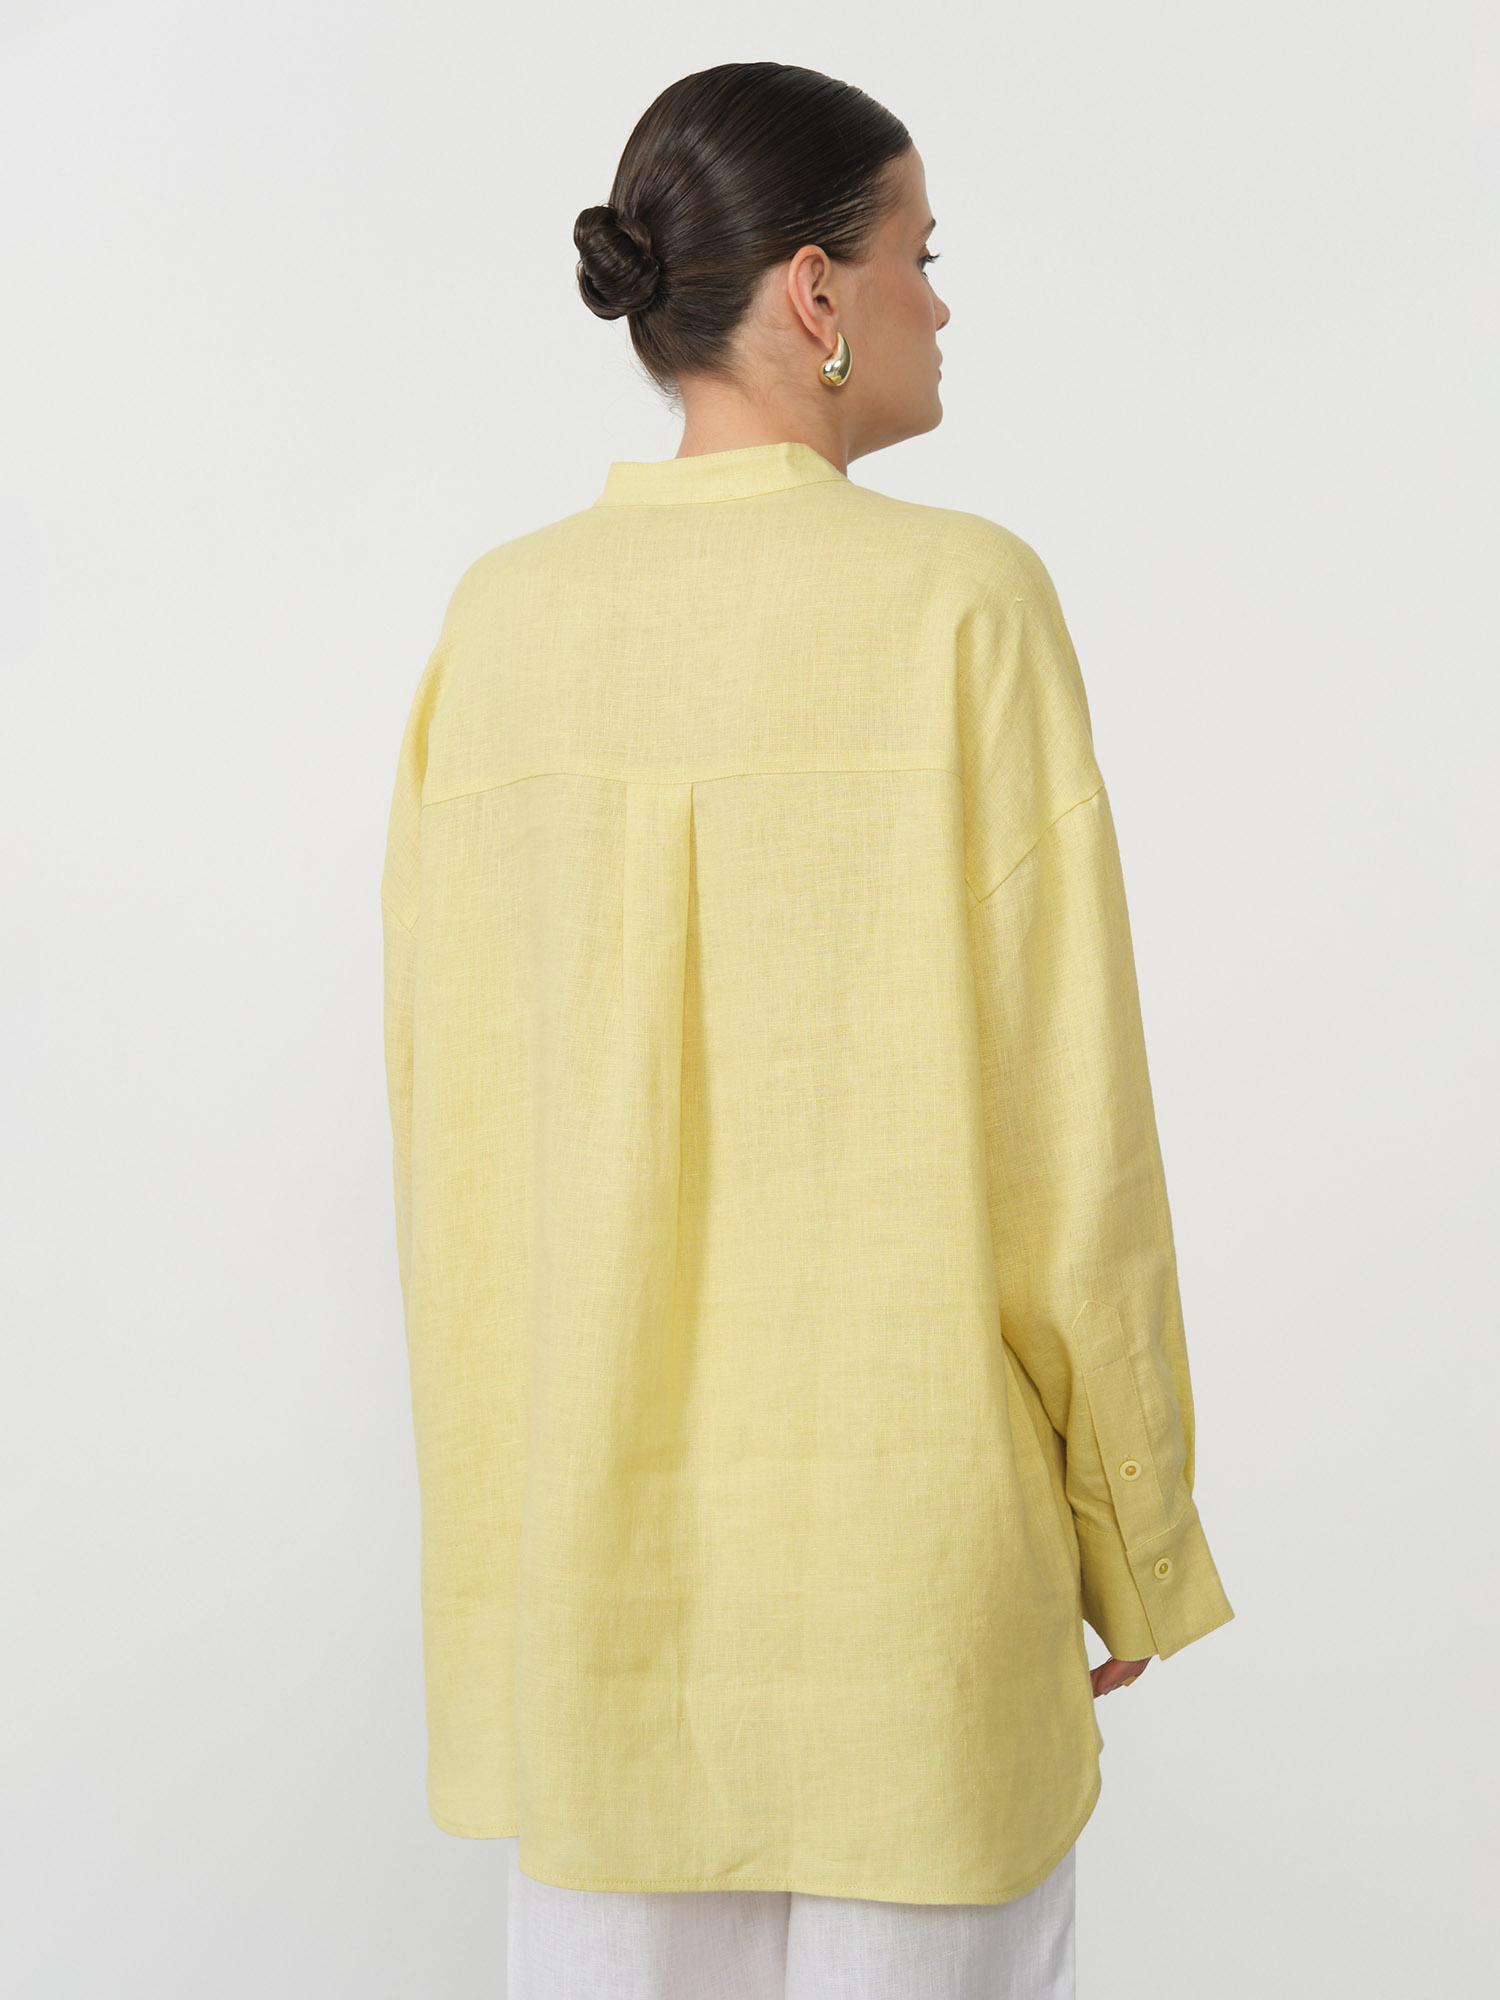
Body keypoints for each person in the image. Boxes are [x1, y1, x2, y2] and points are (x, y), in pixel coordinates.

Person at [379, 59, 1235, 2000]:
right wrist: (1131, 1521)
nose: (945, 300)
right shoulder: (964, 605)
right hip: (909, 1593)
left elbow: (458, 1149)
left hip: (593, 1615)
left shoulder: (496, 625)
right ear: (819, 291)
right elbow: (1070, 1132)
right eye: (923, 252)